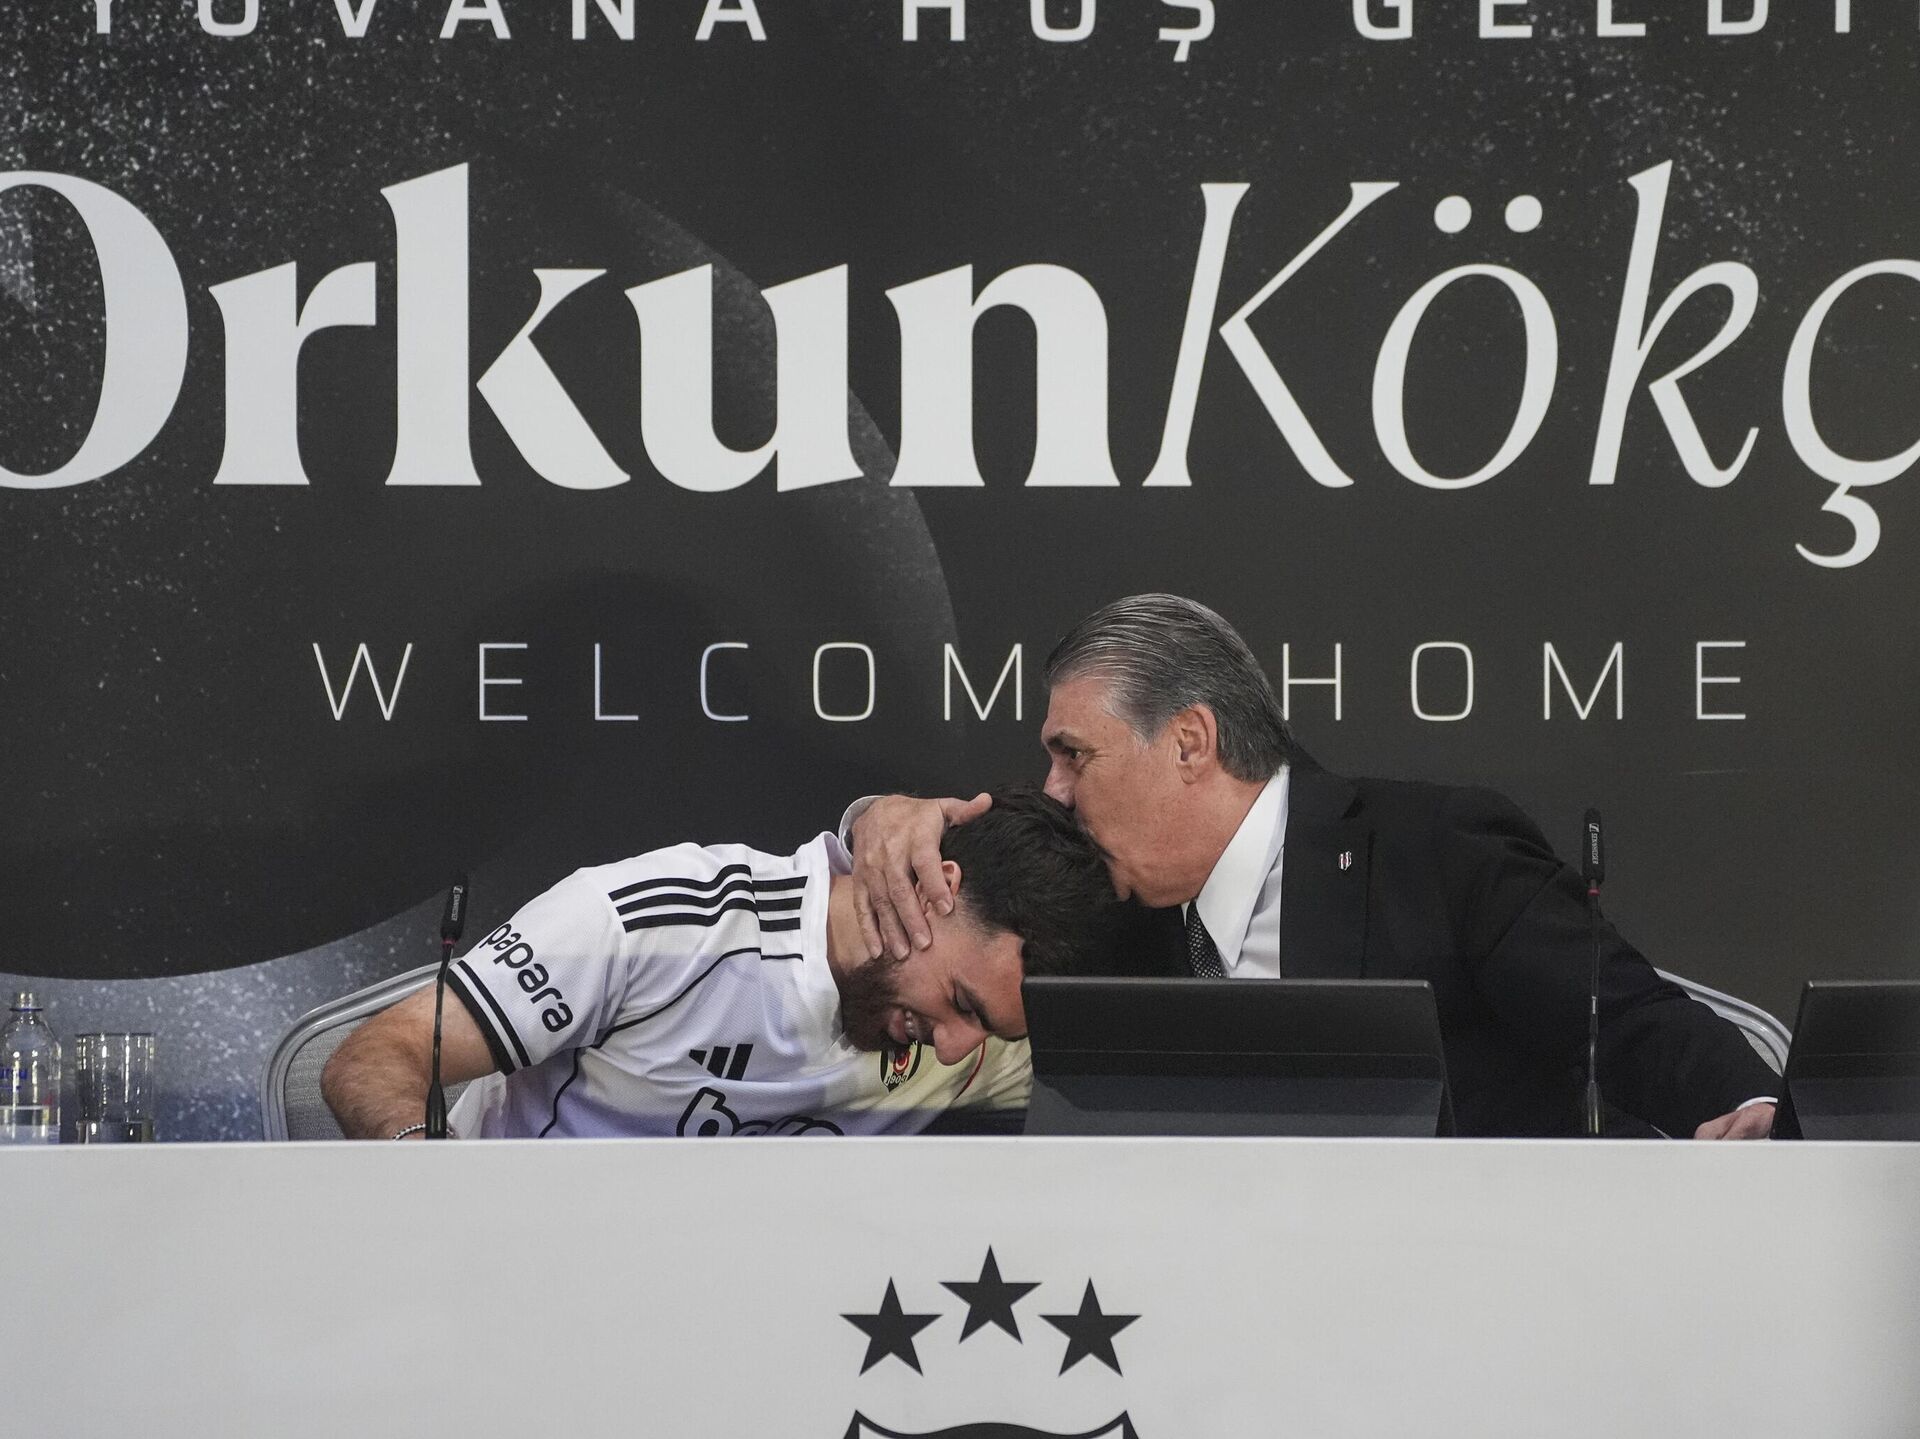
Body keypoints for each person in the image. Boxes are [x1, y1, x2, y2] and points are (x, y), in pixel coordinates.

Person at [847, 595, 1780, 1140]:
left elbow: (1628, 1020)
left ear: (1190, 742)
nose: (1054, 789)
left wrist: (1752, 1111)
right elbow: (942, 961)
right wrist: (872, 820)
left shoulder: (1432, 852)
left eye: (1073, 754)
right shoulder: (1108, 916)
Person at [321, 786, 1115, 1140]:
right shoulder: (659, 921)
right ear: (933, 887)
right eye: (963, 1004)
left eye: (990, 1030)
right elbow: (374, 1058)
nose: (957, 1049)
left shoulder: (970, 1041)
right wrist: (438, 1195)